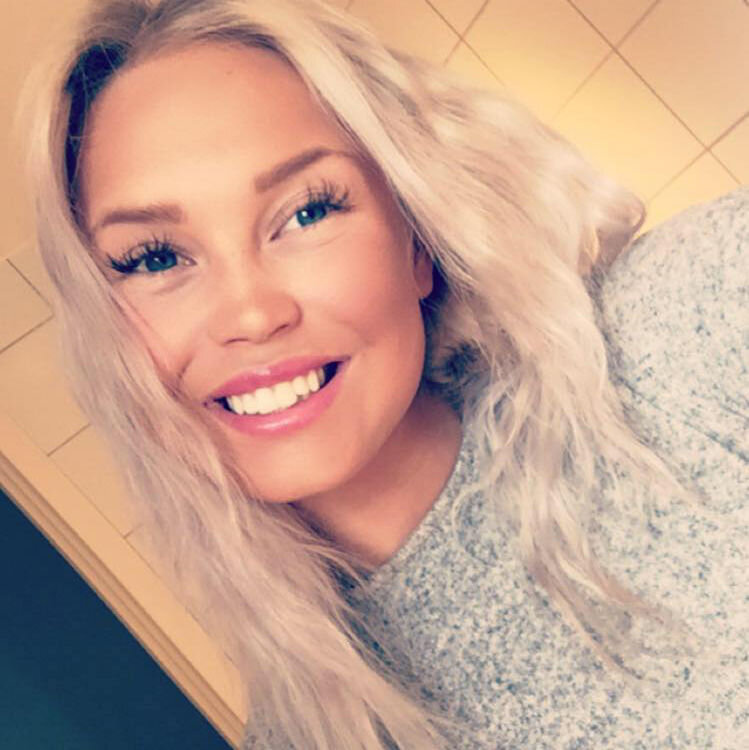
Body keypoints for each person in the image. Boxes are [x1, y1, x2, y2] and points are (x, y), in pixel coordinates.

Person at [24, 0, 746, 747]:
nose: (251, 313)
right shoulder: (303, 737)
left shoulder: (689, 320)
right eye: (154, 258)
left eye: (307, 213)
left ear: (415, 242)